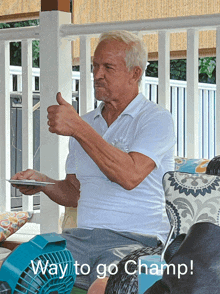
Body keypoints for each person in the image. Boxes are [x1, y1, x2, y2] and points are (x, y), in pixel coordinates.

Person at [11, 30, 176, 293]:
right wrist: (43, 183)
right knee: (14, 269)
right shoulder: (87, 123)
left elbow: (129, 176)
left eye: (108, 67)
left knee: (104, 287)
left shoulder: (156, 119)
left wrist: (78, 128)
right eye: (95, 66)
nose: (97, 74)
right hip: (80, 241)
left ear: (135, 73)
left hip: (139, 243)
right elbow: (75, 192)